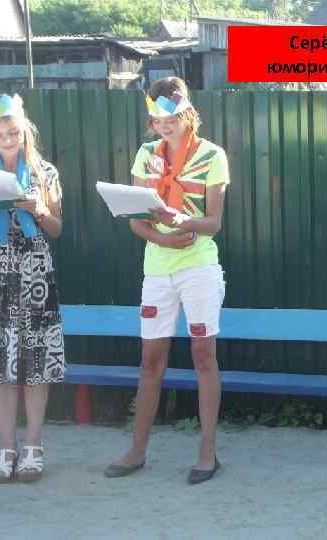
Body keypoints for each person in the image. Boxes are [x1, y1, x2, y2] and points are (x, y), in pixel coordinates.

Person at [104, 77, 229, 485]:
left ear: (187, 112)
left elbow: (213, 223)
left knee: (203, 356)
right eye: (157, 120)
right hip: (157, 270)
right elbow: (136, 220)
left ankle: (207, 454)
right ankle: (136, 452)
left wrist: (182, 222)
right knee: (150, 362)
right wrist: (163, 238)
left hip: (199, 267)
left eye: (171, 117)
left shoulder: (212, 154)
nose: (165, 125)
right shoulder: (145, 154)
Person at [0, 94, 65, 483]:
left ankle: (33, 447)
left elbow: (57, 229)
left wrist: (38, 209)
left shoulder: (44, 172)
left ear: (24, 132)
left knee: (36, 361)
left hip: (35, 274)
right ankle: (6, 449)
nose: (7, 140)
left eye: (13, 133)